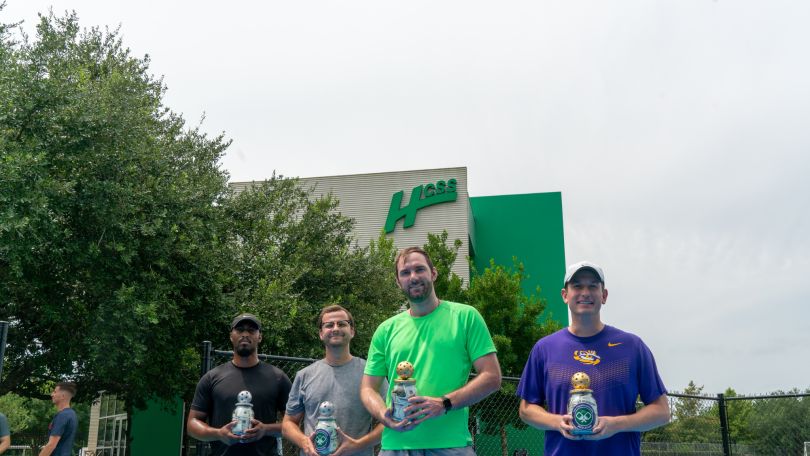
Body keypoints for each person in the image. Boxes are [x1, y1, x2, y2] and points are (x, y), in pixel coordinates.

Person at [517, 261, 670, 455]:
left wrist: (616, 424)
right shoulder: (545, 349)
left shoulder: (632, 346)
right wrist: (556, 422)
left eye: (593, 286)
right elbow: (526, 409)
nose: (585, 292)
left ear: (604, 295)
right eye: (577, 286)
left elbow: (662, 411)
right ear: (565, 295)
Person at [360, 246, 502, 455]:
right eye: (405, 273)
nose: (413, 277)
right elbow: (367, 389)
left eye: (419, 269)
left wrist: (444, 403)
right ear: (398, 282)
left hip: (451, 445)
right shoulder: (385, 330)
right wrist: (383, 414)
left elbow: (492, 377)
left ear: (433, 273)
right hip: (396, 446)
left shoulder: (465, 317)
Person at [282, 305, 384, 456]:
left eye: (342, 324)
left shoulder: (371, 374)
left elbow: (389, 420)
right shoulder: (304, 375)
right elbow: (288, 423)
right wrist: (305, 442)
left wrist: (358, 445)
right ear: (321, 334)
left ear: (352, 331)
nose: (335, 328)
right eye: (329, 325)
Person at [188, 313, 292, 456]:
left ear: (259, 336)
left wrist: (266, 429)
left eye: (251, 330)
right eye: (240, 330)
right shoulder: (212, 378)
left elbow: (293, 424)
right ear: (231, 336)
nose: (245, 334)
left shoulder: (278, 378)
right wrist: (218, 433)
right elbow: (192, 423)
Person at [39, 382, 78, 456]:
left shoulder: (62, 416)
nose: (52, 395)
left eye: (55, 392)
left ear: (63, 396)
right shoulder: (72, 414)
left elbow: (51, 445)